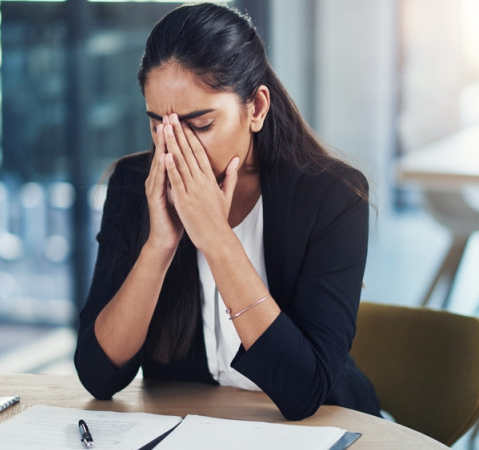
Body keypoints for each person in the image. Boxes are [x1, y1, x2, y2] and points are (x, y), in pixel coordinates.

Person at [74, 2, 380, 420]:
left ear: (256, 108)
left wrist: (216, 238)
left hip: (322, 428)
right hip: (192, 428)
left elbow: (304, 392)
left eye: (200, 125)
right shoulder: (134, 187)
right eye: (159, 126)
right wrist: (158, 246)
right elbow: (97, 377)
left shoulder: (332, 197)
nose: (176, 149)